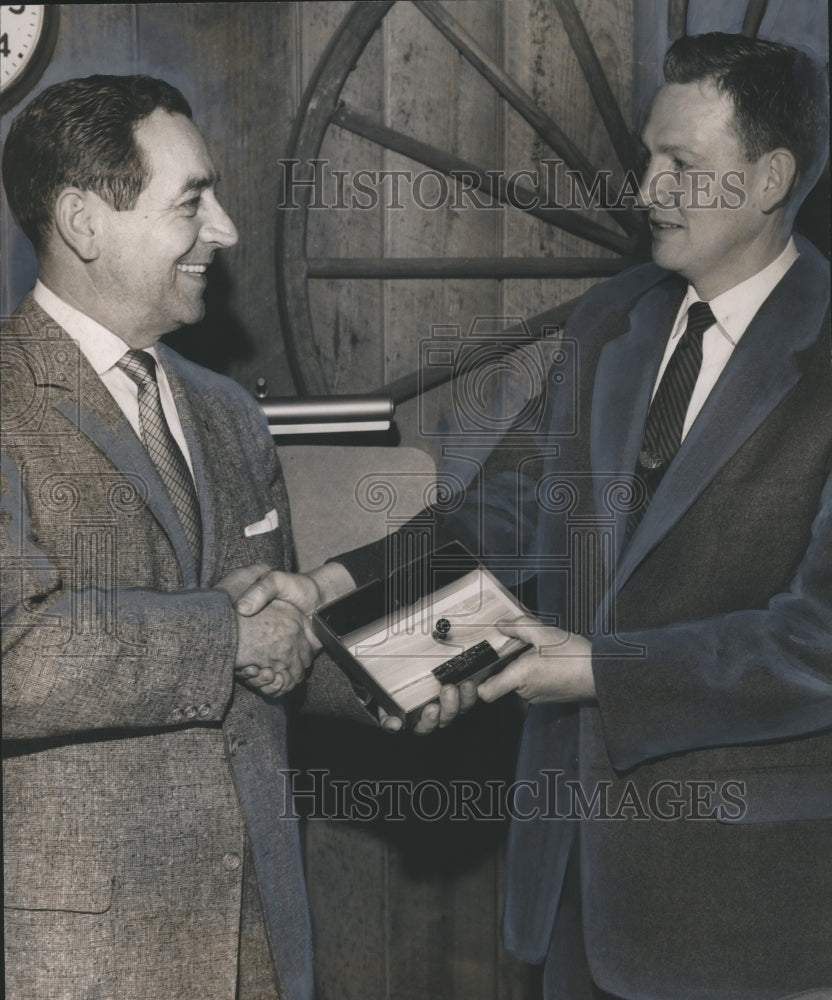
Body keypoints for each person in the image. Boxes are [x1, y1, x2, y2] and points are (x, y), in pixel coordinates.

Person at [235, 33, 832, 998]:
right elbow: (500, 519)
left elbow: (818, 644)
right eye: (648, 156)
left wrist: (591, 671)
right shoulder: (613, 322)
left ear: (771, 178)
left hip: (749, 920)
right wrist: (331, 586)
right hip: (568, 900)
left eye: (683, 166)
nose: (647, 190)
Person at [0, 74, 460, 1000]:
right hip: (82, 960)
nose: (228, 231)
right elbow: (16, 653)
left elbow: (276, 623)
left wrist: (393, 679)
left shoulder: (224, 411)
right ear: (85, 222)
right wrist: (231, 634)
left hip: (259, 932)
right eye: (192, 202)